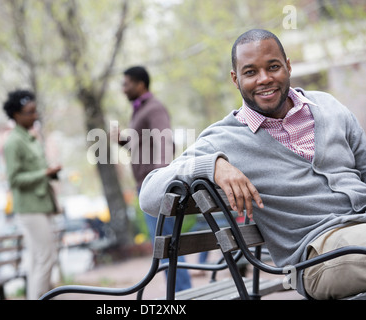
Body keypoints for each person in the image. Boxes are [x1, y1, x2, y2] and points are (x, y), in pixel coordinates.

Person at [139, 29, 366, 300]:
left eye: (273, 67)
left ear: (288, 66)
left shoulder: (329, 107)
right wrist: (212, 166)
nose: (264, 79)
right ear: (235, 79)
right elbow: (149, 195)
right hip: (316, 258)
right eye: (250, 72)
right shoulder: (223, 139)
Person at [116, 66, 192, 292]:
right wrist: (123, 141)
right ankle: (180, 294)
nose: (123, 89)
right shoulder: (140, 110)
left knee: (167, 246)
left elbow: (165, 141)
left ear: (140, 84)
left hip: (155, 186)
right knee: (165, 246)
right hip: (147, 184)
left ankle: (183, 294)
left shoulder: (154, 108)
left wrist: (160, 178)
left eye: (126, 83)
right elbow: (143, 146)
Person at [2, 90, 62, 300]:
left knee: (38, 260)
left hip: (42, 204)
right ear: (16, 115)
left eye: (35, 111)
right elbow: (14, 179)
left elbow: (38, 169)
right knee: (47, 257)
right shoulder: (13, 142)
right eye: (29, 112)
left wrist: (50, 173)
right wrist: (44, 173)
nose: (34, 116)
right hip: (29, 208)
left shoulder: (31, 138)